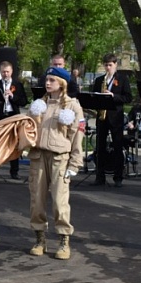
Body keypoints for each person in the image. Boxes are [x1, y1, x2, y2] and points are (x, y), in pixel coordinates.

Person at [26, 67, 85, 260]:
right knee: (37, 201)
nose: (48, 83)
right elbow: (27, 130)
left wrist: (75, 163)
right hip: (38, 156)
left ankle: (63, 240)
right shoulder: (38, 104)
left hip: (60, 158)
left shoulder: (72, 106)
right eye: (47, 79)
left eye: (52, 80)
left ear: (62, 83)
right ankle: (39, 238)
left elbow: (77, 135)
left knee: (60, 201)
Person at [91, 53, 132, 187]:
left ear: (115, 65)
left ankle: (118, 177)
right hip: (102, 117)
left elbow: (128, 98)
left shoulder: (123, 79)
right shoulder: (99, 80)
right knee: (100, 147)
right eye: (106, 65)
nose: (108, 68)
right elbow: (93, 97)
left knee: (117, 146)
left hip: (116, 117)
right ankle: (99, 176)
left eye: (110, 65)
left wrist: (113, 95)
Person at [0, 61, 28, 179]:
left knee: (14, 144)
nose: (5, 74)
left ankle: (14, 172)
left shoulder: (17, 84)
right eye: (3, 72)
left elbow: (23, 102)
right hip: (0, 117)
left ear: (11, 72)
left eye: (7, 72)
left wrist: (13, 97)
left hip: (13, 116)